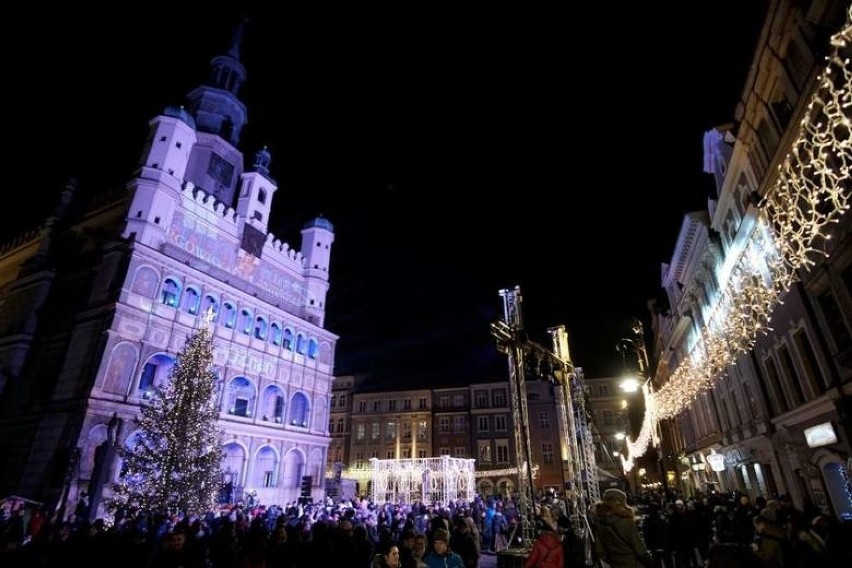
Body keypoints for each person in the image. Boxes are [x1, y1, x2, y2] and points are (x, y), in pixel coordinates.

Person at [592, 488, 653, 568]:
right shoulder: (626, 522)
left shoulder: (599, 522)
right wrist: (650, 562)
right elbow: (639, 549)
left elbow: (599, 550)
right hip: (632, 564)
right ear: (619, 503)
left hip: (613, 564)